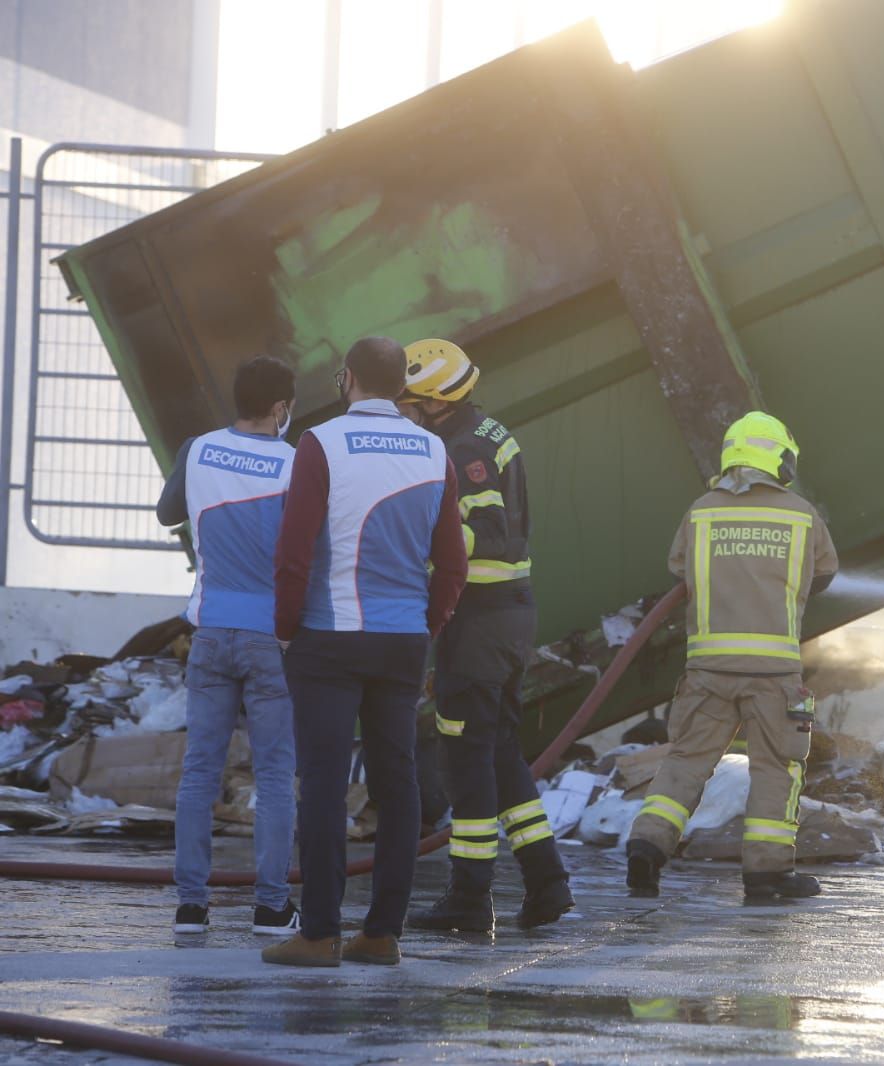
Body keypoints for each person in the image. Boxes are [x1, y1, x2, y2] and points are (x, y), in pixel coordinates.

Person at [263, 337, 467, 968]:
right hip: (402, 641)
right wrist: (425, 626)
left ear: (345, 378)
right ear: (401, 385)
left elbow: (294, 550)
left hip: (327, 638)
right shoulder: (435, 450)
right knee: (398, 782)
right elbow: (455, 563)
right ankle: (382, 934)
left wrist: (286, 628)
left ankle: (320, 933)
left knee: (323, 783)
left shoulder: (320, 443)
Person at [625, 411, 838, 901]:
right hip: (774, 673)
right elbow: (824, 575)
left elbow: (680, 569)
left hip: (706, 670)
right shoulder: (801, 514)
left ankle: (648, 844)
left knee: (685, 761)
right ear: (779, 459)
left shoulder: (701, 511)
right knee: (776, 767)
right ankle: (766, 874)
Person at [397, 338, 572, 932]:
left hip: (479, 617)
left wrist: (416, 548)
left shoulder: (462, 447)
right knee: (497, 753)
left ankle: (470, 899)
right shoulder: (485, 431)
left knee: (464, 759)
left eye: (409, 401)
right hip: (505, 616)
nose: (402, 412)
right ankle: (547, 883)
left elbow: (489, 532)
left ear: (435, 402)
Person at [156, 355, 300, 937]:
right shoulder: (297, 463)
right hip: (273, 639)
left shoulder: (197, 449)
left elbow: (168, 514)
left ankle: (191, 906)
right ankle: (270, 908)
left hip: (210, 632)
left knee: (198, 773)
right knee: (274, 775)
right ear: (281, 407)